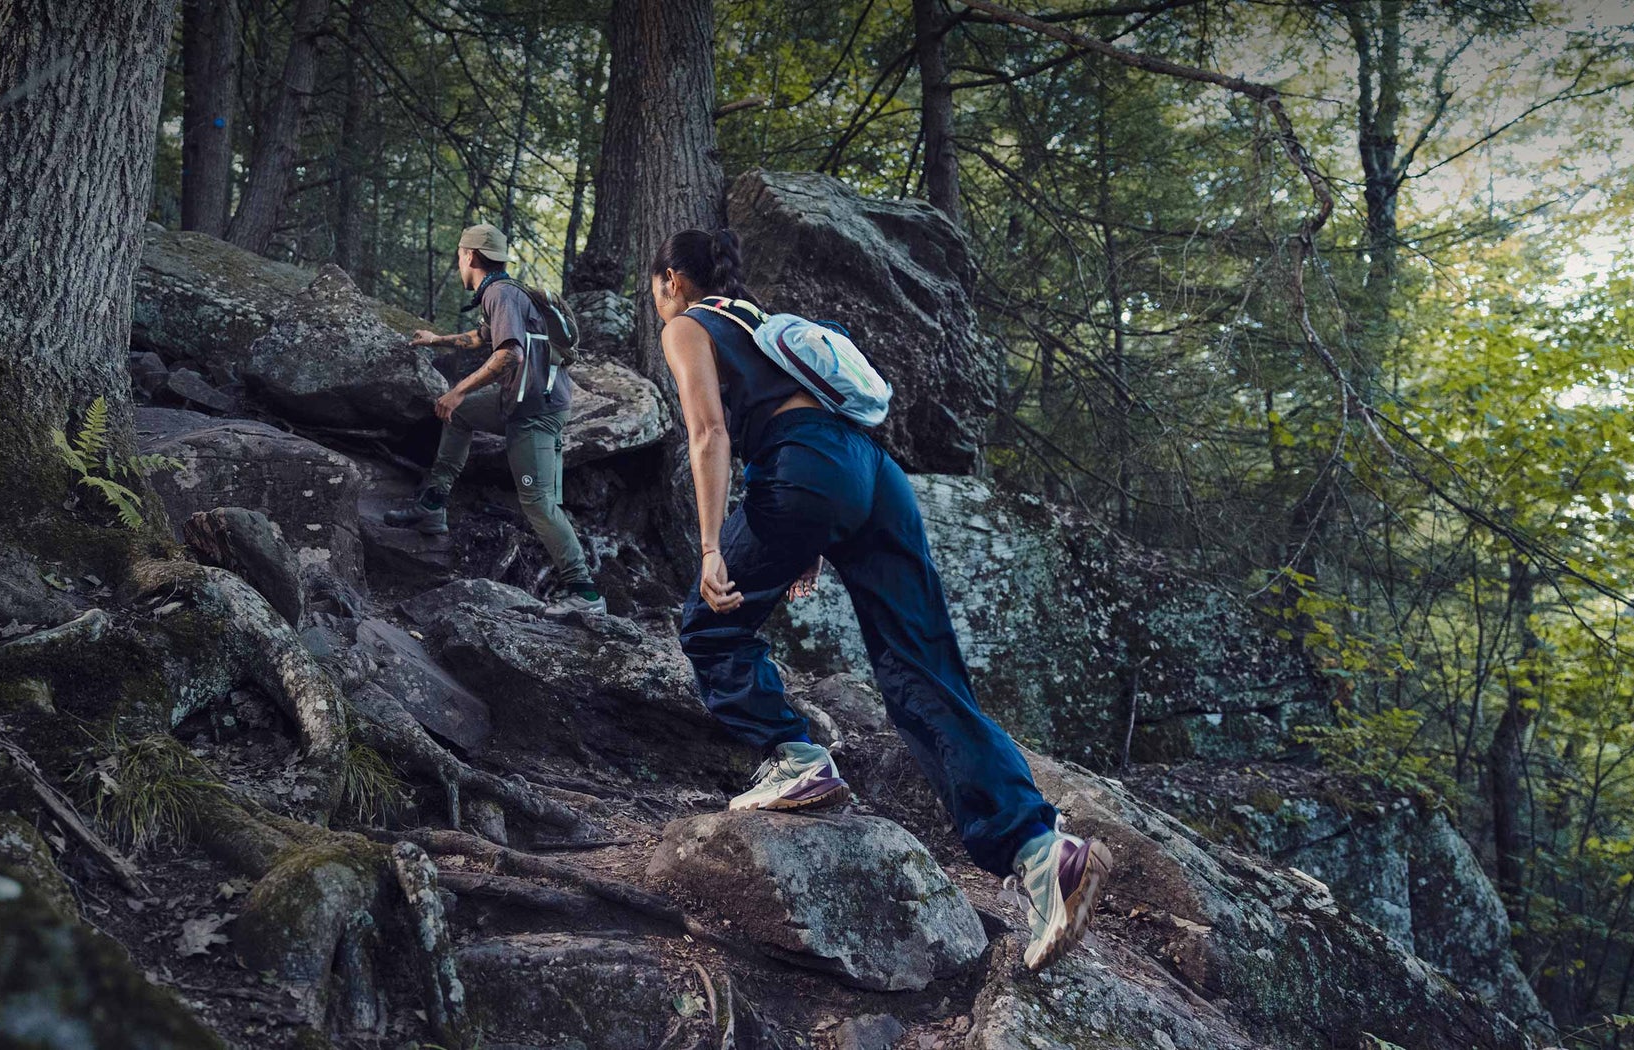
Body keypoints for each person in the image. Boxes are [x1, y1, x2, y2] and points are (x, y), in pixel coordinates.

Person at [648, 227, 1111, 973]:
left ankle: (795, 755)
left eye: (657, 287)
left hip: (803, 467)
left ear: (671, 277)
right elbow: (820, 424)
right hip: (873, 473)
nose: (657, 301)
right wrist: (812, 534)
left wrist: (708, 548)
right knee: (919, 669)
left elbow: (708, 436)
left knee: (710, 625)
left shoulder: (687, 324)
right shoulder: (762, 322)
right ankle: (1039, 850)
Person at [391, 223, 605, 617]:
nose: (458, 261)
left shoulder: (500, 293)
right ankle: (433, 505)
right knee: (459, 417)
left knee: (538, 502)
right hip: (518, 402)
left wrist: (460, 389)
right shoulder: (506, 292)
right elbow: (482, 338)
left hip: (537, 413)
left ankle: (584, 591)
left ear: (470, 256)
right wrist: (435, 340)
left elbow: (510, 355)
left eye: (459, 254)